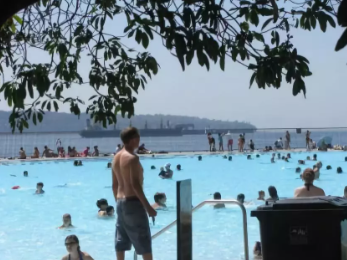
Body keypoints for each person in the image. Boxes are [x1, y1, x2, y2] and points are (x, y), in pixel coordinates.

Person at [112, 127, 156, 260]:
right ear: (132, 140)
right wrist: (149, 208)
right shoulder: (132, 158)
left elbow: (114, 186)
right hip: (133, 202)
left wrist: (120, 203)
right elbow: (135, 185)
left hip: (120, 202)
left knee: (121, 241)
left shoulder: (116, 158)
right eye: (138, 138)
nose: (139, 141)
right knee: (143, 241)